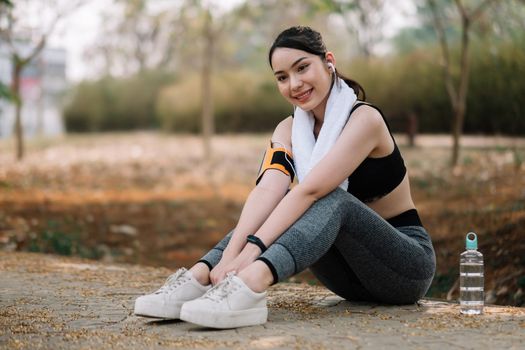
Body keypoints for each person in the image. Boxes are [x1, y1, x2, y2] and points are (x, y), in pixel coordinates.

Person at [134, 26, 436, 329]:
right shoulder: (288, 130)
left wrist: (250, 254)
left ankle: (251, 284)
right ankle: (199, 278)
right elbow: (269, 189)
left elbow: (312, 191)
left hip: (405, 269)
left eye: (302, 68)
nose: (295, 84)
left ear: (328, 61)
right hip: (348, 279)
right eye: (282, 77)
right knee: (275, 206)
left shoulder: (364, 120)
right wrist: (227, 257)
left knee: (329, 198)